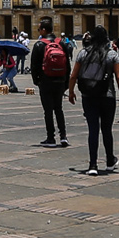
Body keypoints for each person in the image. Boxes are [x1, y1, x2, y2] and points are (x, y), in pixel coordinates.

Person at [67, 24, 119, 176]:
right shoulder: (112, 54)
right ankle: (109, 161)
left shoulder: (83, 53)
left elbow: (73, 75)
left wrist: (71, 92)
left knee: (93, 130)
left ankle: (93, 164)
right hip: (107, 97)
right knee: (107, 130)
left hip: (88, 96)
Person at [30, 20, 72, 148]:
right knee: (58, 109)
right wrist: (66, 82)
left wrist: (37, 81)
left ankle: (51, 138)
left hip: (46, 80)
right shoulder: (62, 43)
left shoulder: (39, 45)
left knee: (48, 110)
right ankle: (63, 136)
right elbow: (68, 64)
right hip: (60, 80)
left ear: (43, 30)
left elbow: (34, 66)